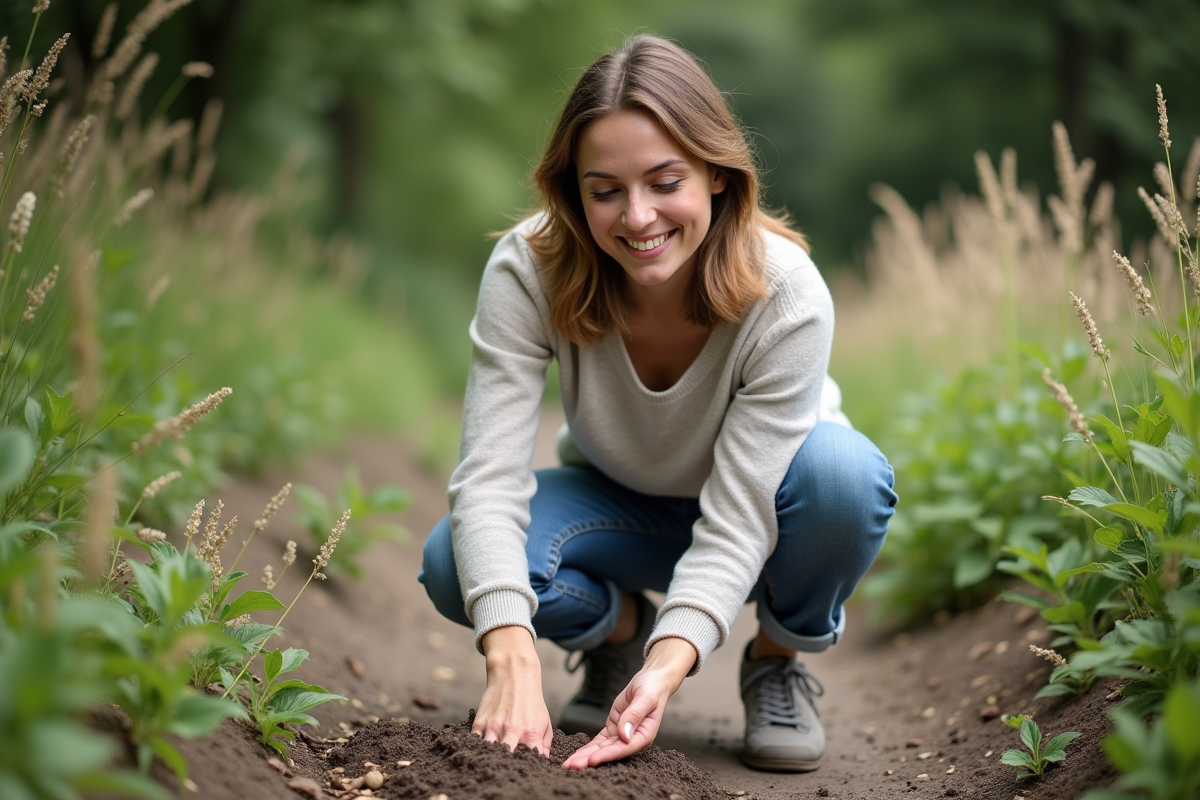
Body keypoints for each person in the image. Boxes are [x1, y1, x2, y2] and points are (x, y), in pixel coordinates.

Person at [418, 33, 896, 773]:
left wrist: (669, 670)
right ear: (573, 191)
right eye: (604, 190)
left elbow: (740, 516)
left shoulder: (789, 293)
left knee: (845, 476)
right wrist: (509, 655)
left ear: (715, 173)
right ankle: (616, 634)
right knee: (457, 561)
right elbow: (487, 478)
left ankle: (776, 659)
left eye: (664, 181)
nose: (637, 218)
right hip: (622, 506)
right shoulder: (529, 267)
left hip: (775, 518)